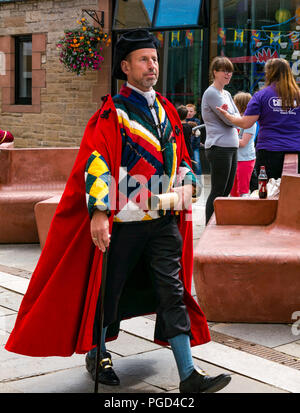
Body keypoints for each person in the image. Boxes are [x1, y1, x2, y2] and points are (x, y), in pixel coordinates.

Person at [5, 29, 231, 394]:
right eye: (144, 59)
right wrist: (98, 212)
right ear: (125, 67)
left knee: (172, 292)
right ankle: (98, 353)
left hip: (163, 221)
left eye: (154, 59)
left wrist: (188, 182)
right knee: (107, 290)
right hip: (124, 223)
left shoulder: (167, 110)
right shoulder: (112, 114)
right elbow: (96, 165)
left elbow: (183, 160)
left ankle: (188, 374)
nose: (152, 65)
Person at [216, 58, 300, 180]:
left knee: (268, 191)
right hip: (296, 149)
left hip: (270, 150)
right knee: (294, 191)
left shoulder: (261, 95)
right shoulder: (298, 95)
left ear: (269, 73)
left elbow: (245, 123)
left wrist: (227, 115)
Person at [201, 56, 239, 224]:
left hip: (231, 146)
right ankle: (210, 225)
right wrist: (232, 116)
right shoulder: (211, 93)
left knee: (226, 190)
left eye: (230, 71)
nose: (228, 74)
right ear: (215, 72)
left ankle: (219, 223)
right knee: (218, 190)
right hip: (219, 146)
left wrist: (231, 115)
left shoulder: (227, 93)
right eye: (224, 70)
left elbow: (237, 117)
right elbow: (230, 120)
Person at [230, 92, 257, 197]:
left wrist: (227, 138)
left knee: (243, 190)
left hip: (245, 159)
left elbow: (243, 143)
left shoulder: (250, 121)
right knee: (233, 191)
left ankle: (242, 212)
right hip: (235, 158)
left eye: (234, 102)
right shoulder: (235, 119)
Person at [186, 103, 202, 176]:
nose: (189, 113)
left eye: (191, 111)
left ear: (195, 112)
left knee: (197, 162)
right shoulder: (183, 120)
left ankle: (199, 178)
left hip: (195, 146)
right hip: (186, 146)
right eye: (187, 111)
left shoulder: (197, 120)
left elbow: (195, 125)